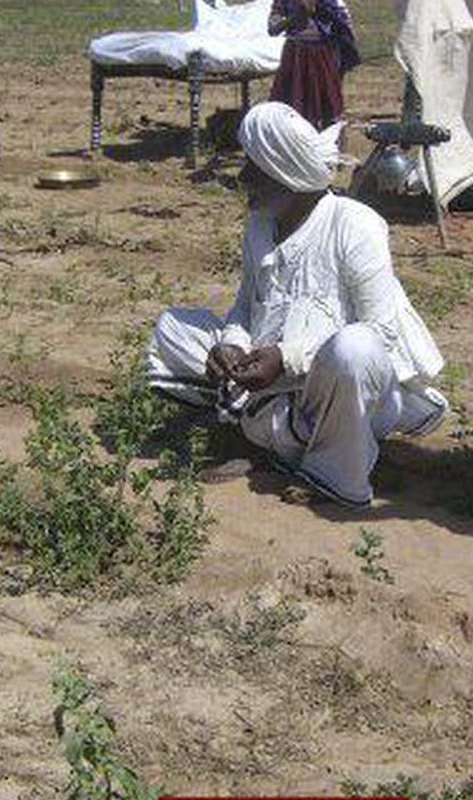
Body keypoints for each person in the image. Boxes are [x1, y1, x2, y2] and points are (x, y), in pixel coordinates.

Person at [146, 102, 446, 506]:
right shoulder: (261, 223)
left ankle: (333, 474)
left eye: (254, 168)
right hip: (271, 378)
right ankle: (271, 435)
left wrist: (286, 358)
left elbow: (382, 333)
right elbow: (247, 305)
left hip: (346, 389)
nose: (243, 178)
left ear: (285, 174)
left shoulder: (355, 224)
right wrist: (232, 344)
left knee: (355, 348)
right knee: (173, 328)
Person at [267, 0, 360, 129]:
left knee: (327, 104)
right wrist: (295, 17)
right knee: (293, 102)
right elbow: (272, 29)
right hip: (295, 56)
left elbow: (341, 25)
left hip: (322, 55)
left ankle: (327, 142)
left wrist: (322, 12)